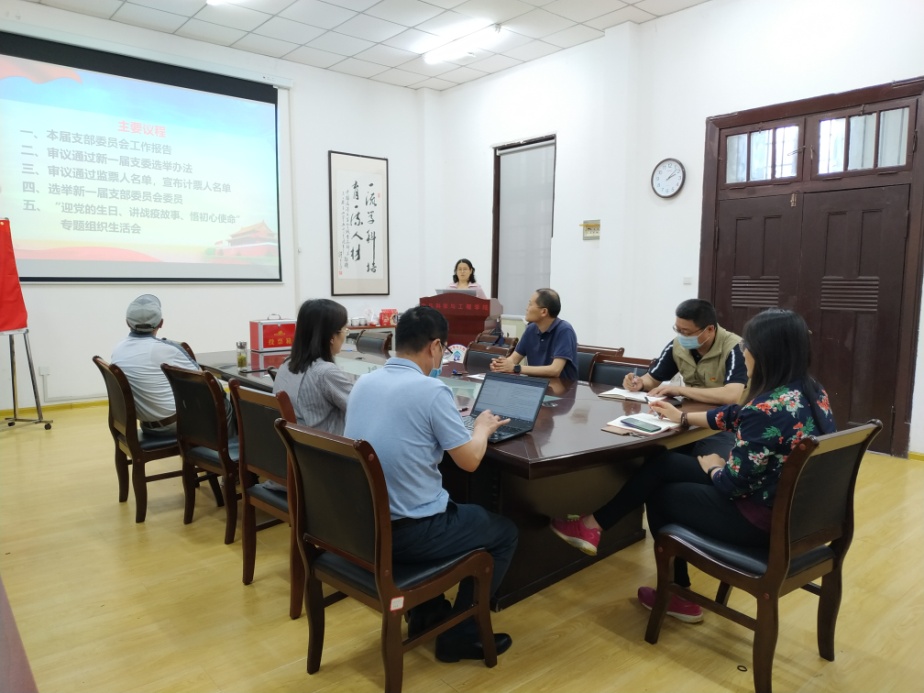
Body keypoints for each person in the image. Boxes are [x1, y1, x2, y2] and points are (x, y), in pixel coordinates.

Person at [550, 308, 835, 623]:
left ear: (768, 354)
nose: (744, 352)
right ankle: (593, 525)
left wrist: (714, 467)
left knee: (660, 495)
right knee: (664, 463)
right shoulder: (810, 392)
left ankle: (677, 593)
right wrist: (683, 417)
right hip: (798, 513)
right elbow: (736, 415)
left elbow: (731, 483)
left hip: (760, 520)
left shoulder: (766, 409)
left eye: (749, 347)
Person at [344, 305, 518, 663]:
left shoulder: (365, 382)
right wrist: (482, 428)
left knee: (444, 499)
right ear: (436, 346)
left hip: (362, 526)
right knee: (504, 532)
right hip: (410, 533)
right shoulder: (432, 390)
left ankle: (428, 612)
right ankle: (461, 634)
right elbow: (469, 461)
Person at [623, 298, 748, 456]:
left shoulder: (735, 347)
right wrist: (639, 383)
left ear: (710, 329)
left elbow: (731, 396)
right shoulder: (677, 345)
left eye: (687, 332)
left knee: (711, 458)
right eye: (678, 330)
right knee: (649, 452)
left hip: (723, 425)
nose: (681, 336)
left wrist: (680, 390)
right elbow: (652, 379)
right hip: (686, 419)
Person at [111, 294, 234, 436]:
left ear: (127, 322)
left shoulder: (118, 350)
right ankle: (229, 447)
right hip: (175, 425)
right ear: (161, 323)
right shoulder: (167, 350)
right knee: (225, 403)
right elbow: (206, 384)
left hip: (147, 426)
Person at [273, 298, 352, 435]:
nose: (345, 334)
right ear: (331, 337)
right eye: (345, 329)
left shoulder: (286, 364)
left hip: (298, 444)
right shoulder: (325, 372)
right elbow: (362, 408)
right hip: (327, 446)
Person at [489, 288, 578, 380]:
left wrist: (516, 368)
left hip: (561, 387)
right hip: (536, 385)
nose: (527, 308)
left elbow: (555, 370)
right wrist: (500, 365)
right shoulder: (530, 329)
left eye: (530, 304)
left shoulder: (564, 330)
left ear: (544, 312)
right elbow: (513, 359)